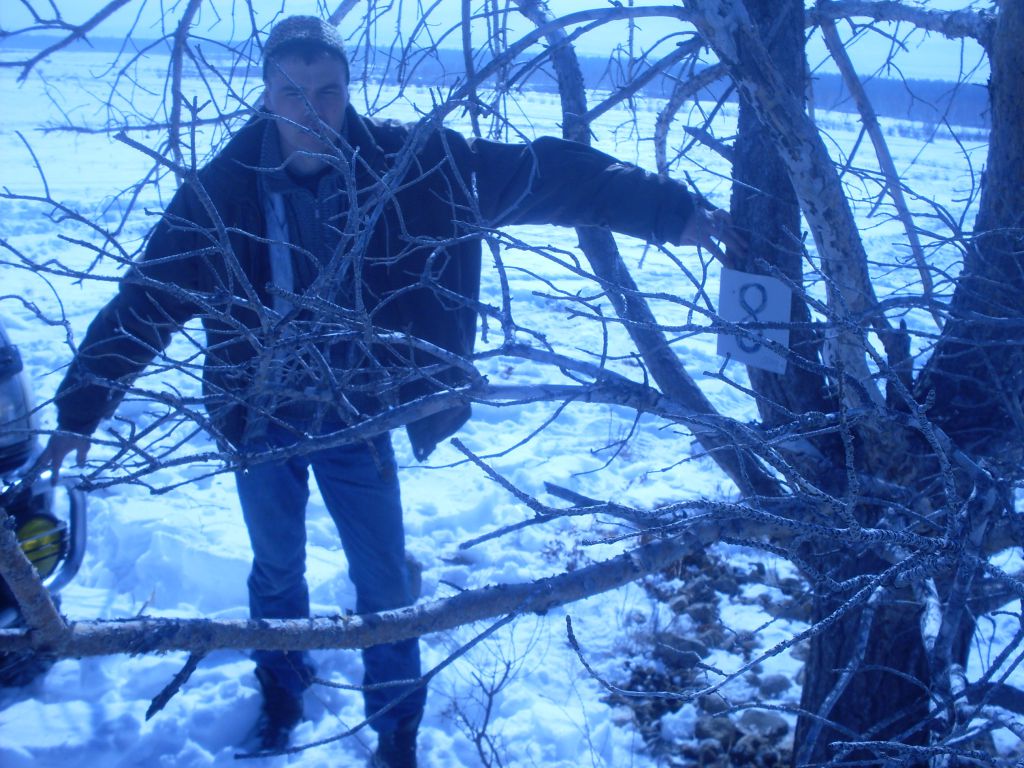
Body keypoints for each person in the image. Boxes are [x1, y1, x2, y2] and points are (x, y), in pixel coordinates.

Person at [41, 15, 739, 767]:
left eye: (327, 92)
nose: (311, 111)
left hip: (357, 411)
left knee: (383, 583)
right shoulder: (222, 190)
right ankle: (281, 696)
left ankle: (397, 731)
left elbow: (548, 174)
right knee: (275, 573)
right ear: (266, 95)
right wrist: (82, 408)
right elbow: (146, 302)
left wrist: (669, 212)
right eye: (292, 92)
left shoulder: (414, 166)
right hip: (259, 417)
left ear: (348, 91)